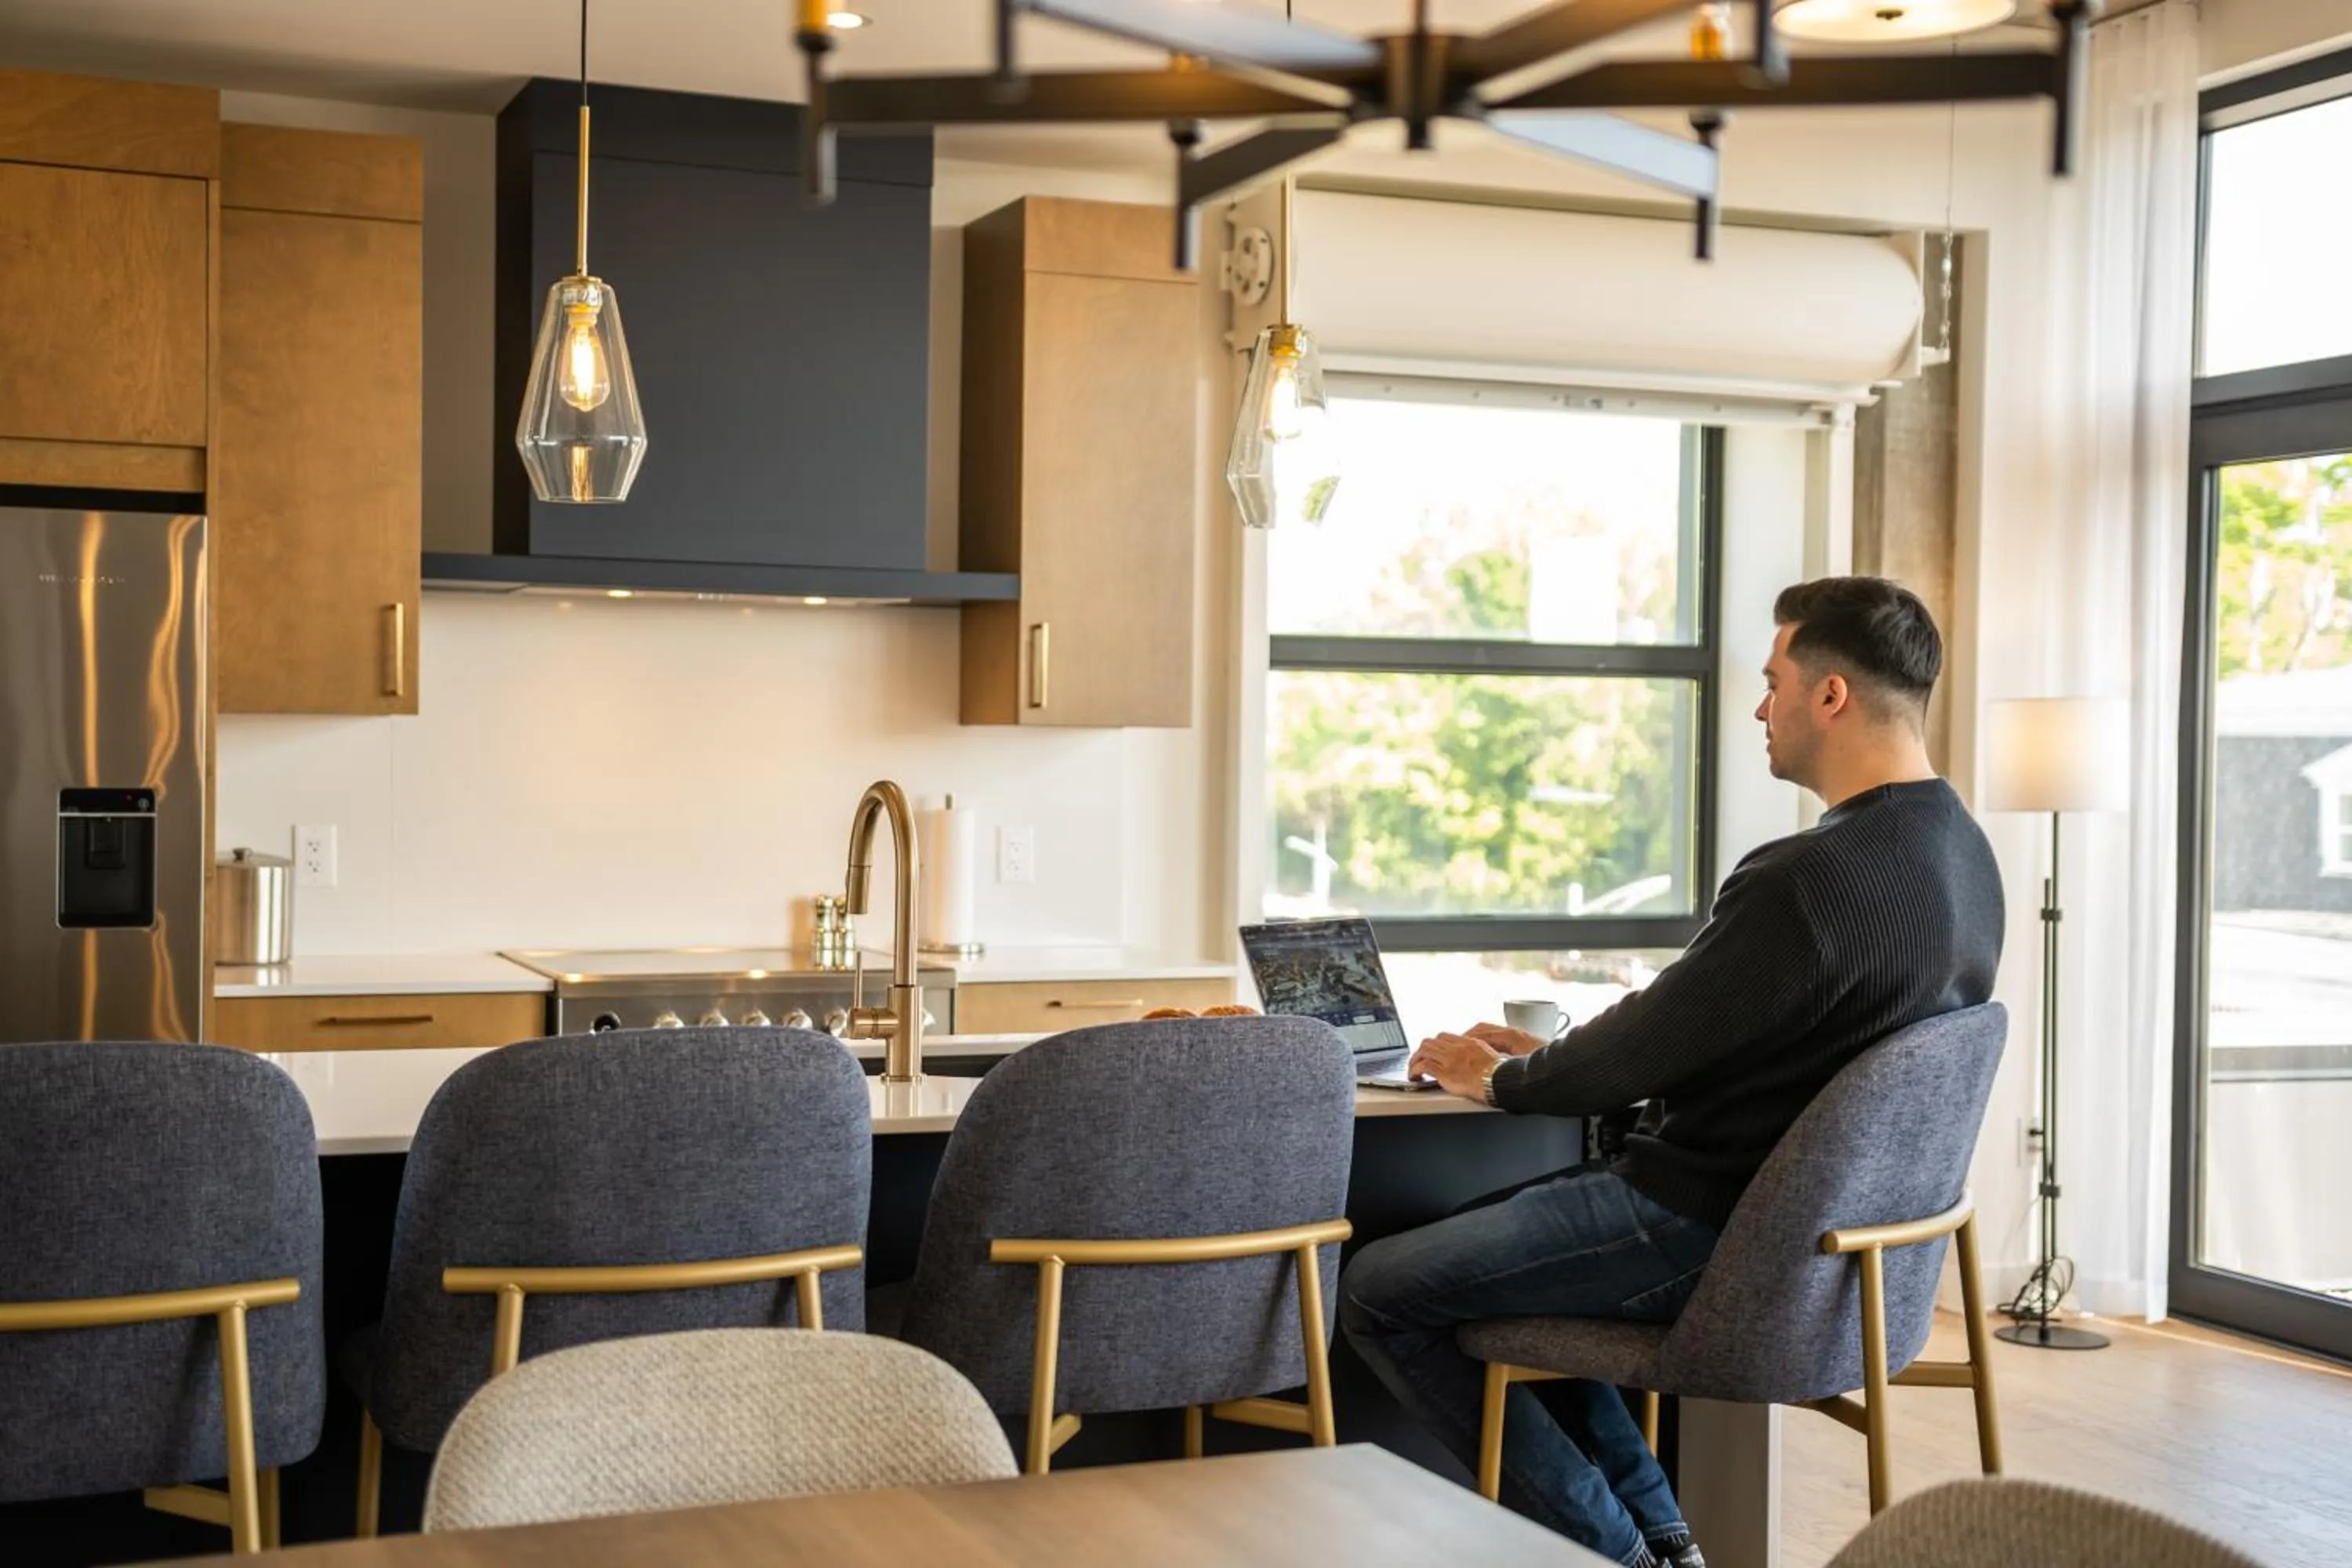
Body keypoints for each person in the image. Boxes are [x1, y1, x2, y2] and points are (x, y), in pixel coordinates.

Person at [1338, 576, 2005, 1568]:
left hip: (1707, 1226)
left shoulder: (1805, 880)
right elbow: (1734, 1035)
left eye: (1773, 679)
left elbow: (1648, 1042)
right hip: (1834, 1256)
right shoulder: (1965, 853)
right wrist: (1556, 1056)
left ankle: (1618, 1553)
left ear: (1830, 695)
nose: (1758, 705)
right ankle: (1663, 1539)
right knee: (1504, 1281)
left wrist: (1505, 1078)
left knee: (1381, 1287)